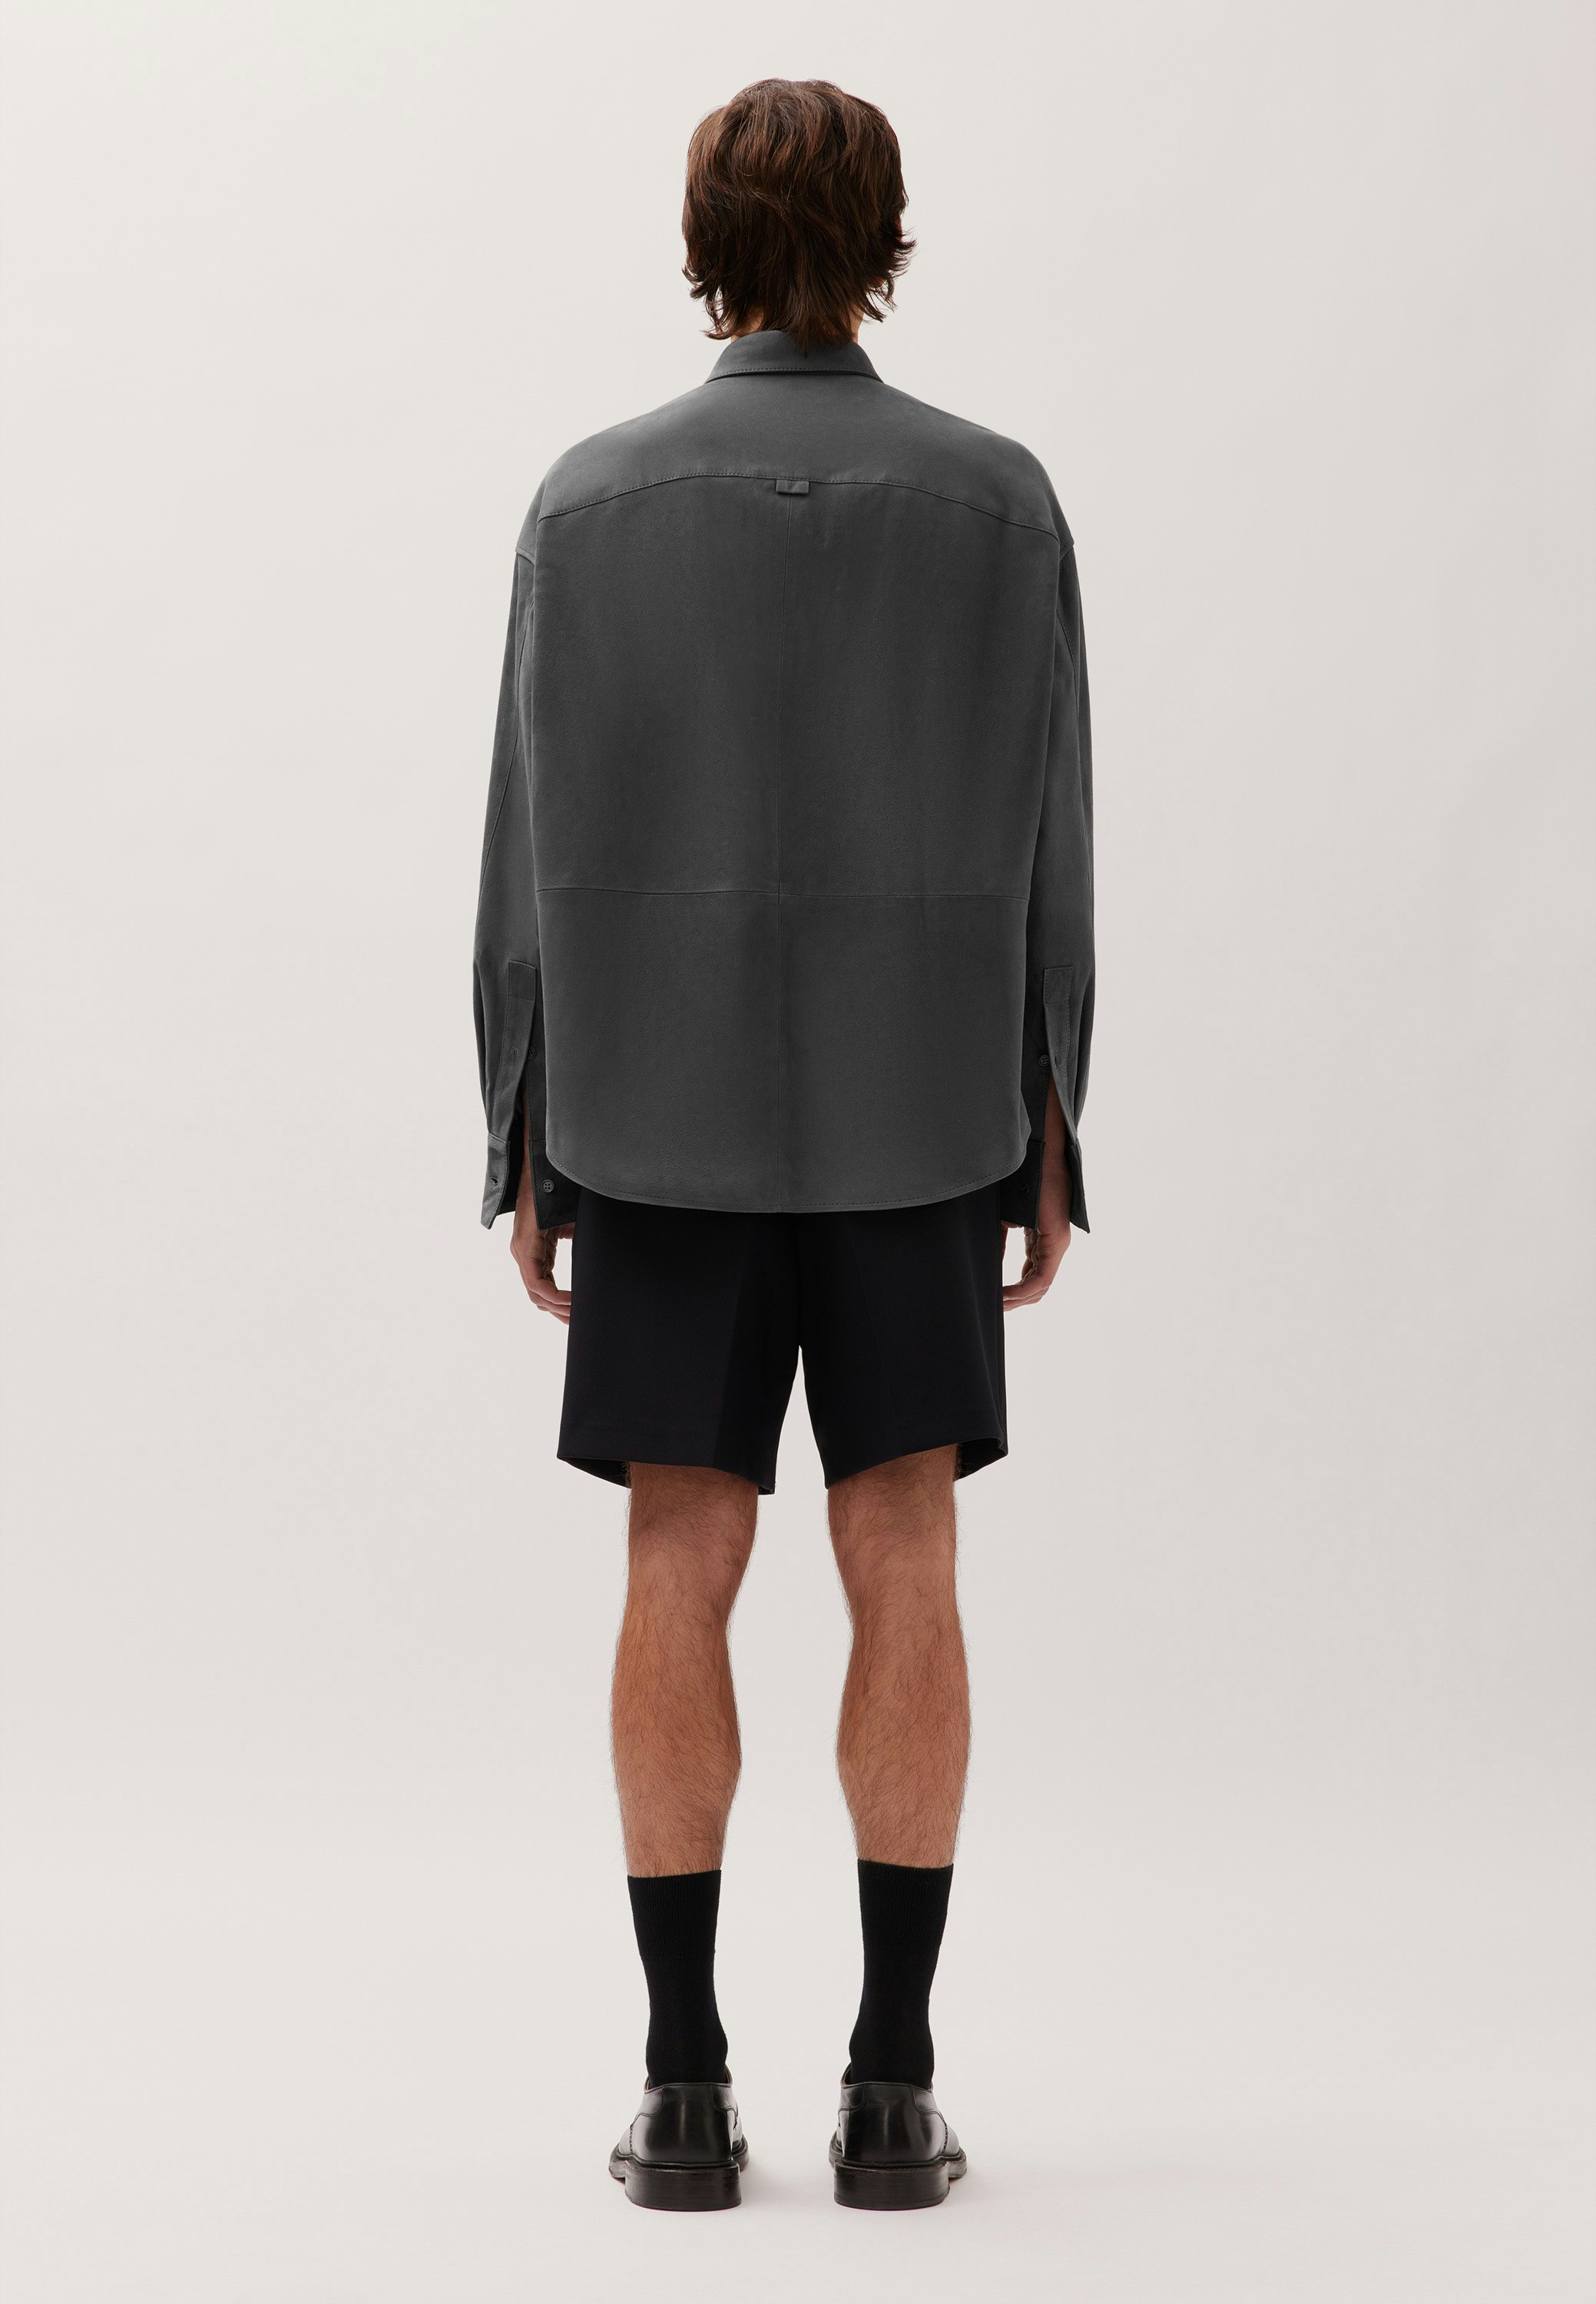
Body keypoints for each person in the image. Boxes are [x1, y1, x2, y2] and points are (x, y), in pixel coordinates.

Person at [472, 77, 1094, 2213]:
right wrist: (1051, 1109)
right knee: (905, 1551)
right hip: (923, 1105)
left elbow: (530, 842)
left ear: (703, 241)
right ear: (886, 239)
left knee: (680, 1556)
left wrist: (524, 1120)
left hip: (655, 1109)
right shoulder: (1000, 502)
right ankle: (895, 2088)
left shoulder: (587, 503)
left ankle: (680, 2086)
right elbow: (1051, 831)